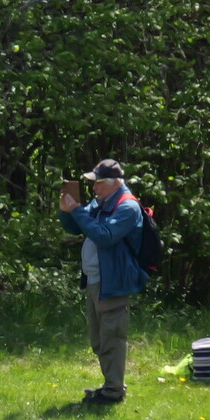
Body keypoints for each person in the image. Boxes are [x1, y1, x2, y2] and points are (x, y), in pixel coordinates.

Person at [58, 159, 150, 405]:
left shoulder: (127, 207)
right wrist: (66, 210)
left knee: (112, 337)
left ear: (114, 183)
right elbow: (77, 227)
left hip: (114, 281)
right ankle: (111, 385)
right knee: (99, 339)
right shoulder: (101, 202)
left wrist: (77, 210)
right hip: (95, 280)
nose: (94, 188)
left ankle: (113, 392)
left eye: (98, 183)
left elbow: (104, 236)